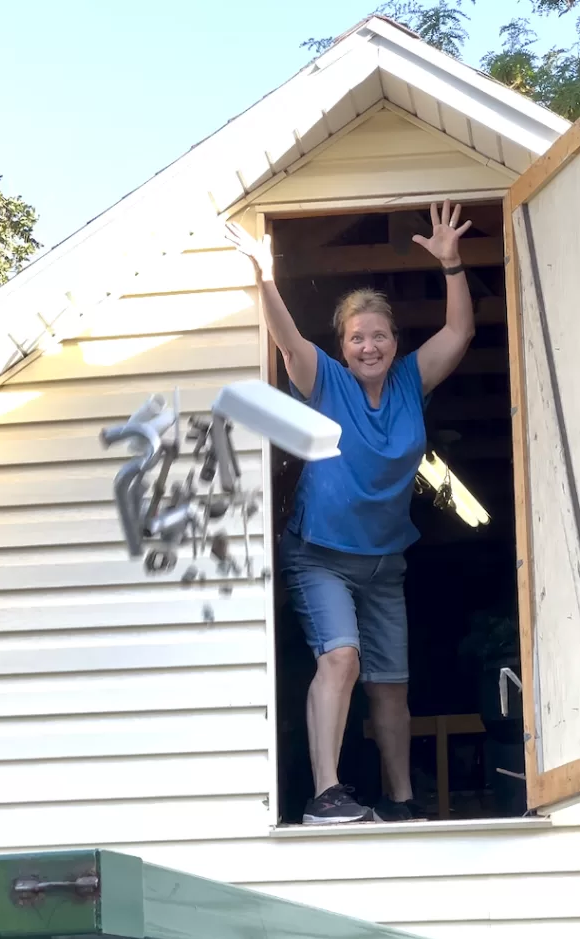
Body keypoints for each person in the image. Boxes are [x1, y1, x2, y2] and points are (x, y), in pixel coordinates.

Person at [225, 201, 475, 825]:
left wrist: (451, 266)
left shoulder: (412, 383)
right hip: (321, 554)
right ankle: (325, 795)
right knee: (340, 657)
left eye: (380, 335)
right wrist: (264, 277)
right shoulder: (324, 381)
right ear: (343, 345)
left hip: (384, 561)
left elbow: (461, 334)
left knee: (390, 683)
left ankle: (400, 800)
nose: (369, 345)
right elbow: (285, 338)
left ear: (395, 342)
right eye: (357, 337)